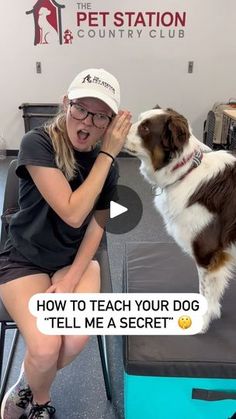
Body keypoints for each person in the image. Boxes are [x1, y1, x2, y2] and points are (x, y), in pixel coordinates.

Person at [0, 68, 132, 419]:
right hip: (24, 258)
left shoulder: (107, 168)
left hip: (75, 260)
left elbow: (96, 225)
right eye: (80, 108)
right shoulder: (38, 143)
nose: (87, 121)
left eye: (100, 115)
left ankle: (28, 383)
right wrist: (107, 157)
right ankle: (42, 402)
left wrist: (72, 277)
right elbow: (73, 213)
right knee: (44, 347)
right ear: (65, 104)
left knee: (73, 340)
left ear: (109, 122)